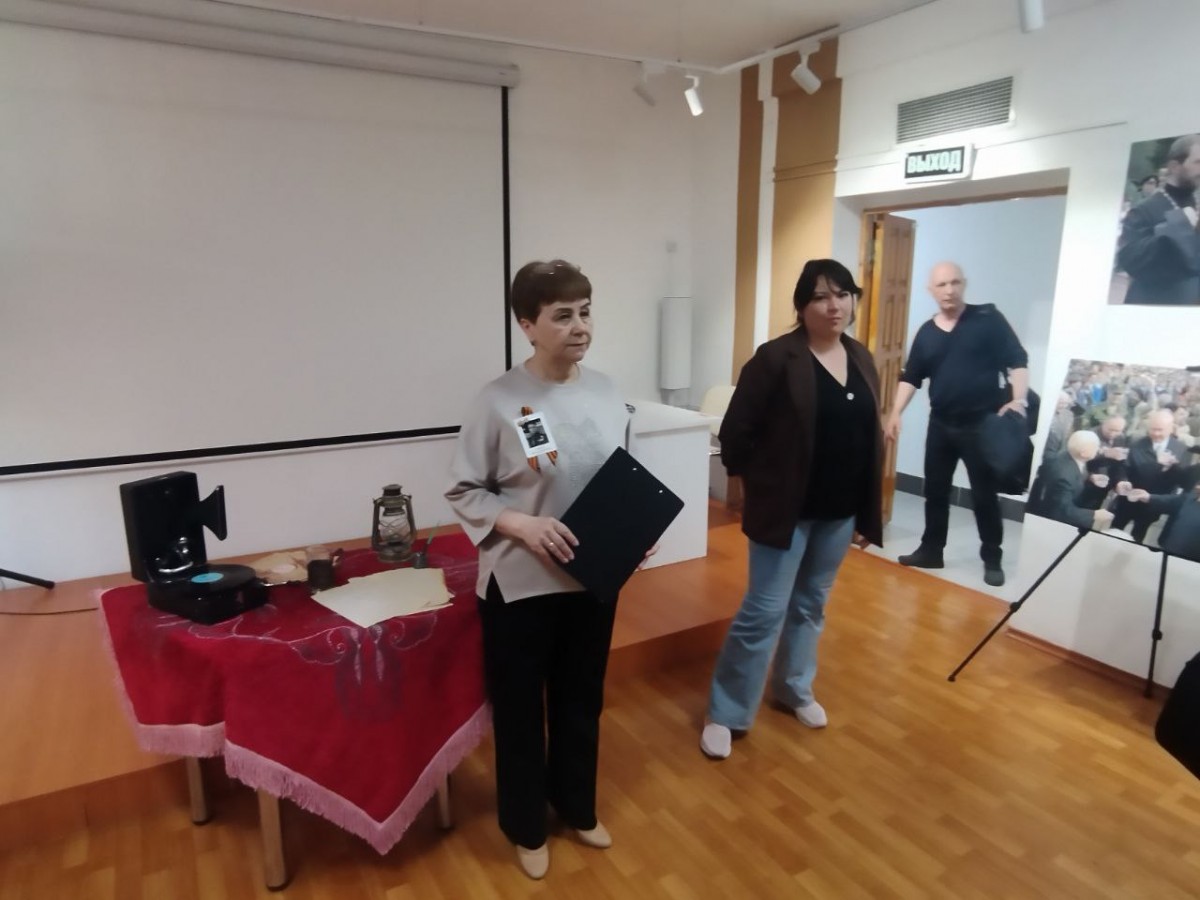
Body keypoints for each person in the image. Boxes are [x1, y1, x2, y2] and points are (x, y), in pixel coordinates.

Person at [445, 259, 649, 880]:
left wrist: (633, 533)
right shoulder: (498, 400)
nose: (579, 326)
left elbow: (620, 474)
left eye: (585, 312)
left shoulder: (607, 391)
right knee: (519, 711)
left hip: (591, 580)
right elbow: (464, 490)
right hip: (520, 584)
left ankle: (577, 808)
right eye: (562, 316)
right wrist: (521, 523)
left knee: (581, 700)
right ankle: (526, 826)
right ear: (527, 325)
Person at [699, 259, 883, 761]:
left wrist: (868, 512)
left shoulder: (861, 357)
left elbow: (869, 439)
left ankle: (793, 687)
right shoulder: (777, 358)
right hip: (786, 510)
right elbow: (736, 431)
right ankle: (726, 712)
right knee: (764, 610)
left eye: (843, 294)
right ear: (802, 306)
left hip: (839, 510)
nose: (834, 306)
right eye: (821, 296)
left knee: (811, 605)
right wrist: (751, 486)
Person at [884, 262, 1030, 587]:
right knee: (935, 491)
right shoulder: (926, 332)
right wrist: (895, 412)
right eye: (941, 285)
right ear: (931, 290)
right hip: (941, 424)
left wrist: (1017, 399)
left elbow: (1018, 359)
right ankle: (932, 550)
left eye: (954, 282)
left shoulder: (988, 320)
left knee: (984, 495)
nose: (949, 290)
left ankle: (992, 557)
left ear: (964, 283)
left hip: (981, 425)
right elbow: (912, 376)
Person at [1117, 135, 1200, 306]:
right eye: (1198, 162)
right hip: (1156, 306)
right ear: (1175, 166)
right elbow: (1129, 258)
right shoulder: (1144, 210)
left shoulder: (1196, 204)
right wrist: (1179, 224)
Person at [1109, 409, 1194, 543]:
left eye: (1160, 430)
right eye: (1152, 429)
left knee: (1138, 536)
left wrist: (1172, 467)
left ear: (1171, 428)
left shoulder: (1181, 449)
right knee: (1115, 529)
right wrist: (1121, 481)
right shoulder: (1136, 444)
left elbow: (1183, 481)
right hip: (1128, 500)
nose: (1155, 433)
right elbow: (1123, 467)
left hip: (1153, 503)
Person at [1035, 431, 1115, 530]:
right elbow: (1062, 512)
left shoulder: (1069, 455)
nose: (1099, 449)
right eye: (1096, 447)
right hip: (1052, 524)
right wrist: (1094, 514)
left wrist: (1090, 477)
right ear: (1083, 453)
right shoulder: (1064, 477)